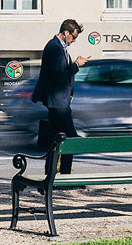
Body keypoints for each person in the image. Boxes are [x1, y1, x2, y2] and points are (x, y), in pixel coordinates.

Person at [31, 18, 90, 173]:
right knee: (70, 138)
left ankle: (50, 175)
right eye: (74, 37)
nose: (75, 40)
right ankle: (64, 174)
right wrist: (77, 65)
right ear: (66, 32)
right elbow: (59, 76)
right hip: (58, 104)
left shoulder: (57, 47)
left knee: (54, 140)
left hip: (58, 102)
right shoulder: (55, 48)